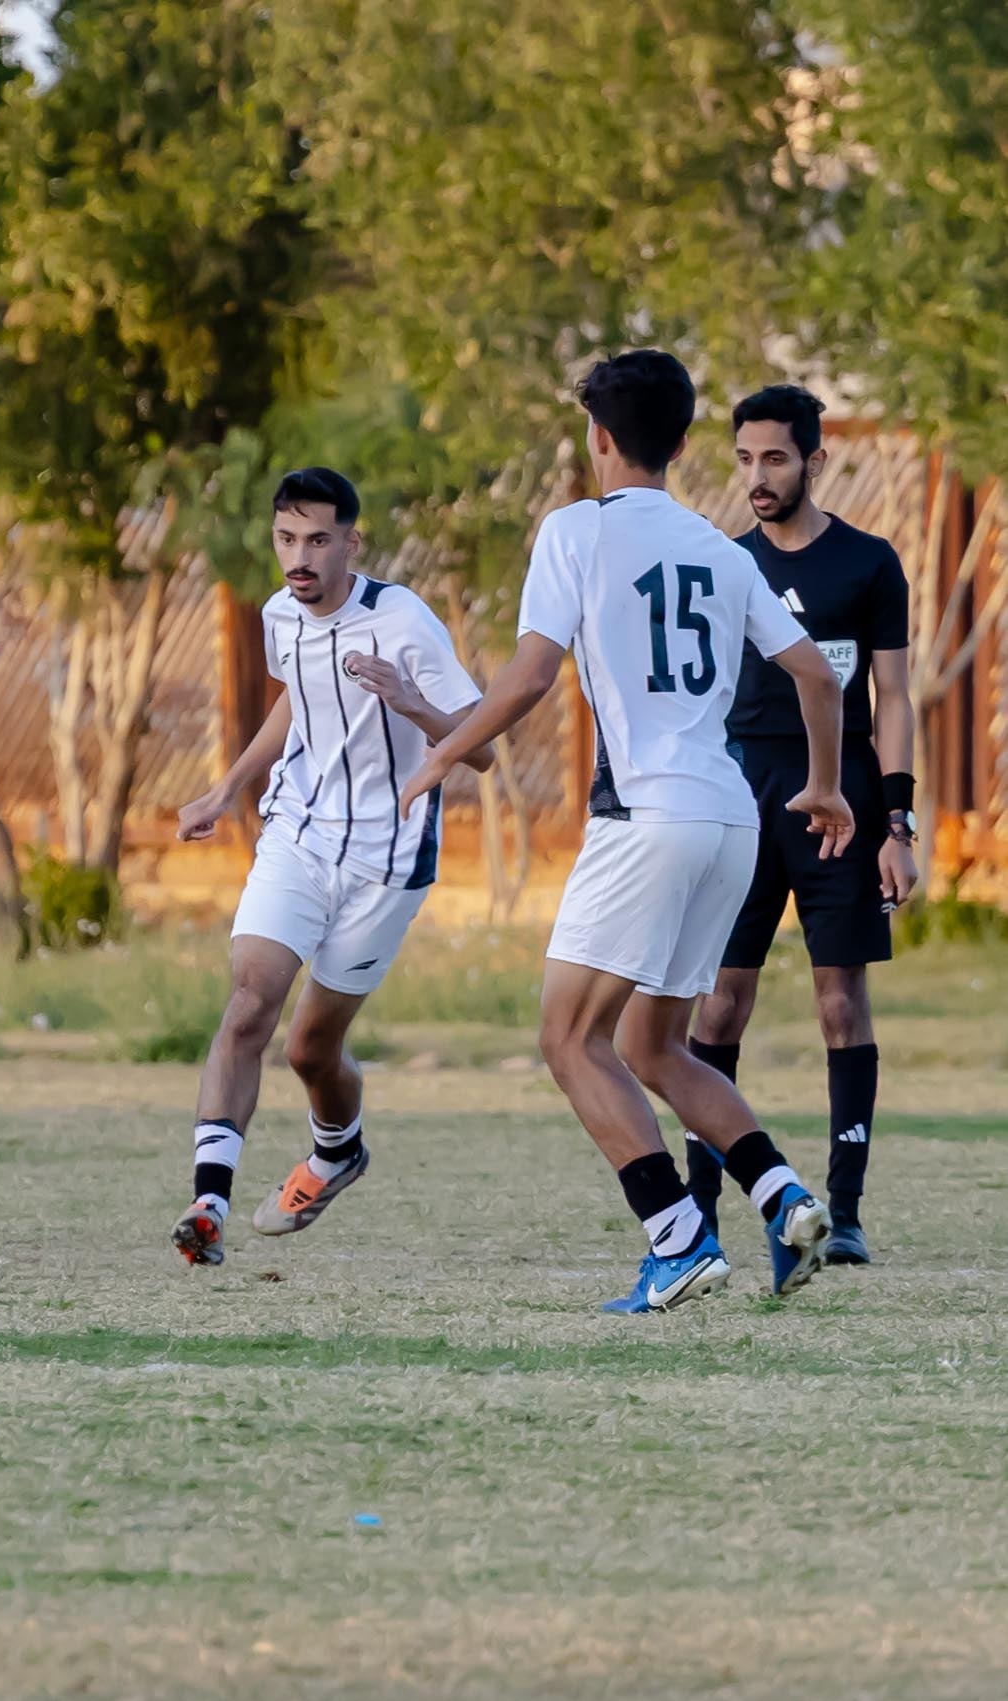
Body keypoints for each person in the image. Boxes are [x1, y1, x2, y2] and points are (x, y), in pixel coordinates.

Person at [400, 349, 855, 1312]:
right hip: (728, 817)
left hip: (645, 815)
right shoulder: (724, 550)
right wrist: (824, 786)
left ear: (597, 439)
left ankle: (673, 1235)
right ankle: (784, 1198)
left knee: (567, 1038)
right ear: (685, 443)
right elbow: (817, 674)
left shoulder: (573, 533)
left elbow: (526, 679)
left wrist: (441, 756)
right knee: (653, 1047)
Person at [168, 467, 493, 1267]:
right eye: (286, 539)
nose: (299, 557)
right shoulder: (281, 611)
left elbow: (480, 746)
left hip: (387, 861)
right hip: (300, 835)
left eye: (317, 540)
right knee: (249, 1002)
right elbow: (295, 702)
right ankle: (209, 1200)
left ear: (353, 540)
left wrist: (409, 701)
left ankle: (336, 1150)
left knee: (310, 1049)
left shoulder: (403, 621)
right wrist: (227, 787)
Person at [683, 385, 917, 1265]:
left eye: (774, 458)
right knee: (718, 1003)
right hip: (740, 796)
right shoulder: (721, 563)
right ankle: (698, 1219)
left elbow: (890, 696)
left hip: (842, 802)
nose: (756, 476)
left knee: (836, 1002)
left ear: (813, 461)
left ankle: (845, 1213)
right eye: (743, 459)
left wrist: (897, 820)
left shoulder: (868, 564)